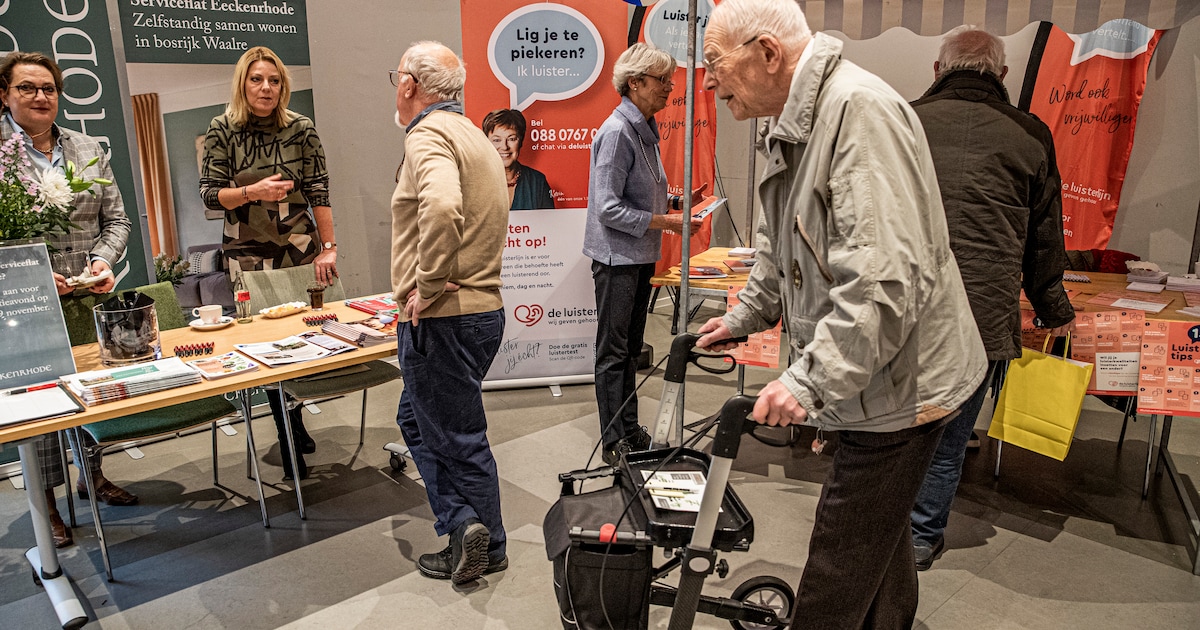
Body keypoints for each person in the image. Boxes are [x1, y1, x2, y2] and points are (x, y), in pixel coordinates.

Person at [694, 1, 988, 627]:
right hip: (876, 371)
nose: (708, 80)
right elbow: (785, 239)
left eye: (716, 63)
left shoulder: (859, 112)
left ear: (768, 53)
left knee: (840, 556)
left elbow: (882, 282)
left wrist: (808, 380)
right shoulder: (793, 117)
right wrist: (747, 313)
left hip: (905, 381)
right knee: (878, 539)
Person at [908, 26, 1076, 571]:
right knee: (951, 435)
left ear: (938, 69)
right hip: (979, 316)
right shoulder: (1029, 133)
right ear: (1002, 76)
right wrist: (1053, 308)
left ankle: (876, 524)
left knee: (890, 427)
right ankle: (920, 536)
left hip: (899, 306)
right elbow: (1044, 236)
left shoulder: (903, 120)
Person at [0, 51, 137, 548]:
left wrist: (102, 261)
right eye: (27, 88)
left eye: (49, 88)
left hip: (84, 299)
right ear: (4, 95)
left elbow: (117, 219)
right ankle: (48, 508)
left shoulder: (87, 147)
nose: (41, 96)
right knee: (37, 413)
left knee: (87, 396)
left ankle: (92, 477)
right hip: (21, 308)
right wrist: (35, 276)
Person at [390, 41, 509, 585]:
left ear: (410, 85)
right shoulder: (477, 139)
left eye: (396, 79)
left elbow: (440, 206)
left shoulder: (428, 134)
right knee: (419, 418)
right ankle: (469, 528)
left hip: (445, 317)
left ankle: (480, 534)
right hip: (483, 311)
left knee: (458, 435)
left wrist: (429, 283)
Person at [200, 46, 339, 480]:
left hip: (299, 245)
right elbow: (209, 194)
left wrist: (329, 246)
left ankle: (293, 415)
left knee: (306, 333)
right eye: (257, 79)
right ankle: (285, 425)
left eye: (274, 80)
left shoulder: (301, 128)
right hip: (246, 249)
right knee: (262, 341)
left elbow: (319, 190)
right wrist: (251, 192)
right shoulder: (222, 129)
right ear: (243, 83)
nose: (266, 88)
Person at [583, 43, 703, 467]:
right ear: (634, 83)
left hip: (638, 255)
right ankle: (615, 440)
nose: (670, 88)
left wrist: (677, 204)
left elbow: (641, 191)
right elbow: (607, 208)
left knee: (631, 349)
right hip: (617, 259)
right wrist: (668, 224)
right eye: (662, 81)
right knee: (614, 353)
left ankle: (628, 432)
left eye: (670, 80)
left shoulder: (645, 129)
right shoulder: (617, 133)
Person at [481, 108, 554, 210]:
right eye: (497, 140)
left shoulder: (537, 181)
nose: (504, 147)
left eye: (511, 139)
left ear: (521, 141)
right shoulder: (474, 183)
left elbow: (549, 224)